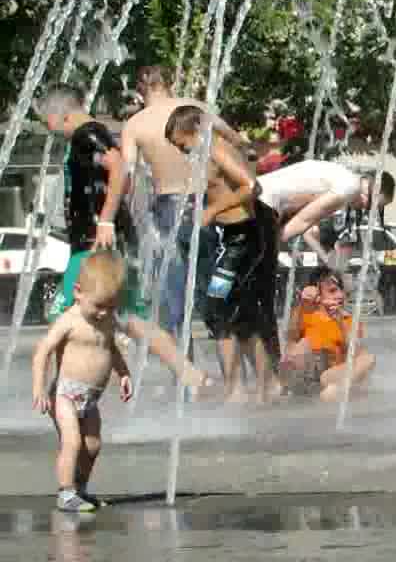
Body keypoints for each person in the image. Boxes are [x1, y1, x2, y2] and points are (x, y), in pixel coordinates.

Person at [36, 86, 210, 393]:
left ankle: (65, 391)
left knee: (63, 316)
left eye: (45, 121)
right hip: (106, 242)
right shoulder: (94, 133)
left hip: (93, 246)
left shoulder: (87, 134)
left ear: (58, 115)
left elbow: (119, 167)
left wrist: (105, 219)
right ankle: (192, 376)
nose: (48, 129)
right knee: (132, 318)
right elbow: (121, 178)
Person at [122, 65, 246, 345]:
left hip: (168, 210)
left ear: (140, 90)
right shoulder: (195, 109)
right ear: (170, 83)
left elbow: (127, 176)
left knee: (174, 304)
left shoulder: (135, 124)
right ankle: (234, 369)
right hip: (209, 204)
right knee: (216, 295)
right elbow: (238, 143)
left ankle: (185, 371)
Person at [165, 105, 281, 404]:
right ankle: (254, 386)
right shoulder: (210, 152)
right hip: (233, 237)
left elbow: (252, 186)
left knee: (221, 306)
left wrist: (212, 210)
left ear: (194, 131)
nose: (182, 151)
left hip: (243, 238)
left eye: (182, 144)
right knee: (234, 312)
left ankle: (255, 385)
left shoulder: (217, 149)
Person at [30, 251, 134, 512]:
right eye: (99, 306)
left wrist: (124, 373)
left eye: (111, 307)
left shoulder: (107, 320)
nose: (104, 313)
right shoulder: (70, 320)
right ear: (78, 292)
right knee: (73, 442)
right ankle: (66, 493)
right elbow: (42, 351)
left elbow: (111, 349)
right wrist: (39, 387)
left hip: (90, 398)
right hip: (64, 393)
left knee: (93, 445)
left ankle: (80, 489)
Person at [280, 267, 375, 401]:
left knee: (368, 358)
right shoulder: (306, 314)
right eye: (332, 291)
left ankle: (337, 390)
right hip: (306, 377)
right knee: (302, 345)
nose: (340, 295)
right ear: (316, 295)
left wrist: (340, 322)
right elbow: (290, 338)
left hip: (331, 377)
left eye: (341, 290)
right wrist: (304, 303)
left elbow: (355, 353)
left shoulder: (348, 320)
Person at [255, 159, 367, 261]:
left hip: (259, 191)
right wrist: (271, 245)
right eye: (368, 206)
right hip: (267, 202)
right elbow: (303, 220)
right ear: (366, 195)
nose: (364, 209)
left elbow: (303, 222)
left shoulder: (341, 176)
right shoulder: (350, 187)